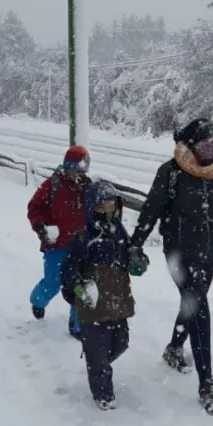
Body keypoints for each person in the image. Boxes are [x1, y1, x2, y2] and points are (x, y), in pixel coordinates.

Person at [128, 118, 213, 415]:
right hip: (178, 254)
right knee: (199, 306)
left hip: (210, 252)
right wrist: (135, 245)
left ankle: (175, 349)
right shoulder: (171, 173)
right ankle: (207, 384)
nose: (210, 149)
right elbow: (150, 211)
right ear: (190, 145)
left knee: (193, 303)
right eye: (204, 143)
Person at [60, 181, 149, 410]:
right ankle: (102, 392)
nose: (108, 211)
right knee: (97, 350)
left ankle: (97, 364)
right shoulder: (83, 238)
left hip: (117, 301)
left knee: (121, 343)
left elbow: (132, 257)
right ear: (92, 208)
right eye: (103, 207)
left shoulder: (120, 233)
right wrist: (78, 287)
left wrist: (138, 262)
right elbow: (68, 270)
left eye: (112, 206)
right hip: (92, 304)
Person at [27, 145, 92, 339]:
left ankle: (78, 324)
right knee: (53, 282)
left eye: (83, 169)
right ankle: (38, 301)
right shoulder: (52, 185)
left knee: (79, 284)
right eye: (75, 169)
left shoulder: (88, 187)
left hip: (80, 247)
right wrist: (41, 227)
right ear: (67, 166)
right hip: (56, 246)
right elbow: (34, 208)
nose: (78, 174)